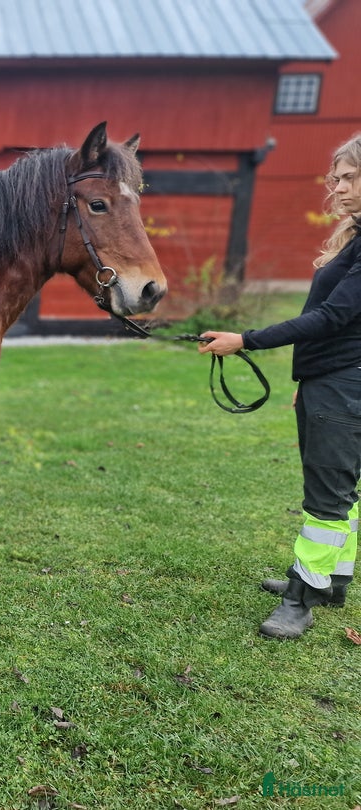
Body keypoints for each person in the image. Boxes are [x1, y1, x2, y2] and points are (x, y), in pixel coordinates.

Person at [199, 133, 361, 639]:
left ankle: (302, 597)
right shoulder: (355, 239)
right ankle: (333, 579)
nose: (338, 186)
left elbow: (333, 317)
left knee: (327, 499)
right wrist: (312, 377)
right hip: (334, 381)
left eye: (351, 176)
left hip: (346, 386)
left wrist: (245, 339)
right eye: (336, 177)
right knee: (344, 490)